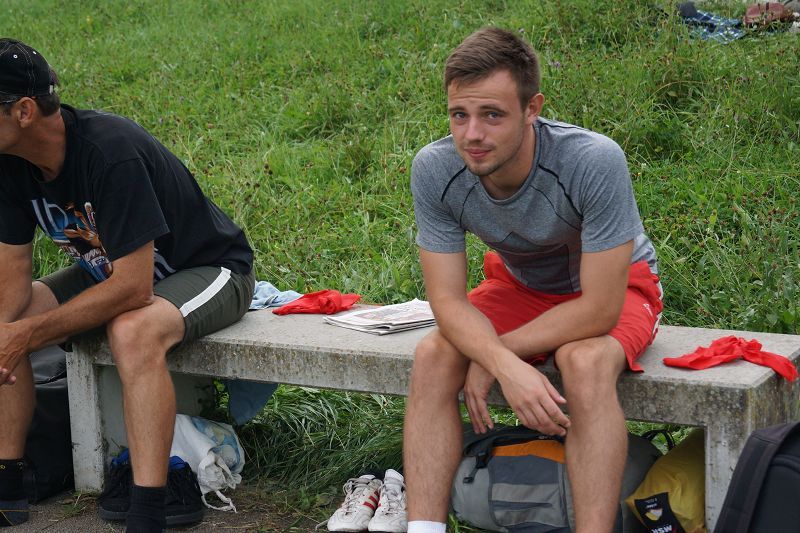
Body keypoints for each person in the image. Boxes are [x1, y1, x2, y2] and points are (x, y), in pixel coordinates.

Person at [404, 27, 662, 533]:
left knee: (584, 361)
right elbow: (448, 302)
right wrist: (501, 361)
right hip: (520, 286)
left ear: (531, 108)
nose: (472, 134)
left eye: (492, 115)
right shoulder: (435, 169)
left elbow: (600, 309)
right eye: (459, 115)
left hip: (615, 288)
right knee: (435, 355)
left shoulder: (592, 159)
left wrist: (499, 354)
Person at [0, 39, 255, 531]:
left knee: (132, 331)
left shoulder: (108, 150)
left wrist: (28, 335)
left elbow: (134, 290)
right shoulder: (10, 164)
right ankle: (7, 486)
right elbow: (10, 286)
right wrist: (10, 330)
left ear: (24, 111)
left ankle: (147, 510)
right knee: (5, 323)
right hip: (112, 268)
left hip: (210, 269)